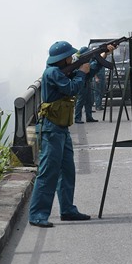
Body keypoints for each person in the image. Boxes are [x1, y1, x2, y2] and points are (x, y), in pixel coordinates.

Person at [28, 40, 115, 228]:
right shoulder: (52, 73)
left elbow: (84, 77)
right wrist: (82, 71)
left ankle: (67, 209)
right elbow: (72, 87)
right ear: (62, 59)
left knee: (67, 171)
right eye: (69, 56)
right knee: (48, 173)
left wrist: (101, 58)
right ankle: (37, 214)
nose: (71, 58)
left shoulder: (60, 71)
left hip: (60, 129)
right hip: (50, 129)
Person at [74, 47, 97, 123]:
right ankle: (77, 118)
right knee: (80, 101)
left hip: (87, 81)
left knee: (89, 100)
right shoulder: (79, 61)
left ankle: (89, 117)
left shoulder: (87, 60)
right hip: (82, 82)